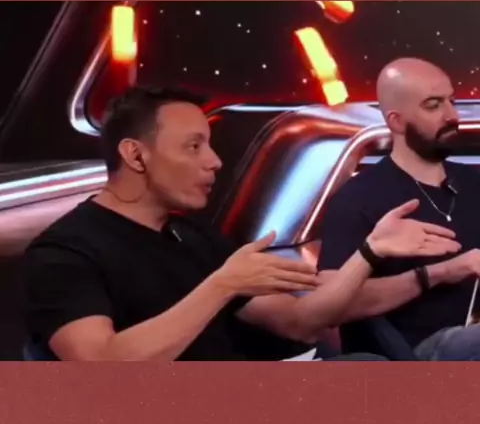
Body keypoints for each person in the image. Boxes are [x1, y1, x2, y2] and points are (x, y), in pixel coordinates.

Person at [22, 85, 459, 362]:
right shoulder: (64, 253)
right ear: (136, 155)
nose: (215, 162)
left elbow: (301, 321)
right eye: (194, 147)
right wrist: (222, 286)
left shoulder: (192, 236)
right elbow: (100, 366)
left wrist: (370, 253)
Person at [318, 57, 480, 361]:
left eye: (452, 101)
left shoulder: (473, 183)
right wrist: (439, 273)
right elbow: (330, 307)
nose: (452, 115)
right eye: (433, 105)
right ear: (396, 121)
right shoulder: (359, 197)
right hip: (409, 353)